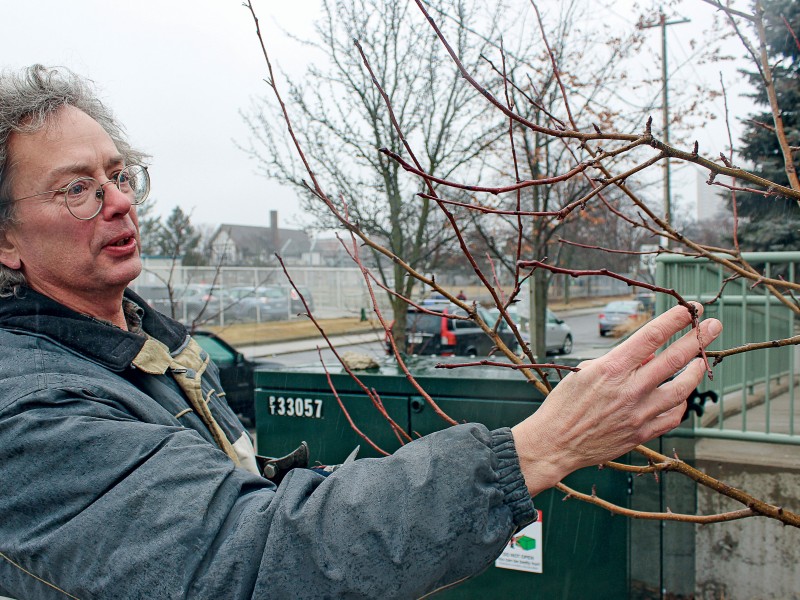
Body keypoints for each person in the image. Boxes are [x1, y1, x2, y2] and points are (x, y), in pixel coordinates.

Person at [0, 65, 721, 599]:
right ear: (5, 241)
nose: (119, 202)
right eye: (77, 187)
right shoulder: (31, 414)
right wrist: (540, 447)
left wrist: (313, 487)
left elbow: (228, 507)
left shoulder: (153, 352)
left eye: (121, 175)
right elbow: (248, 560)